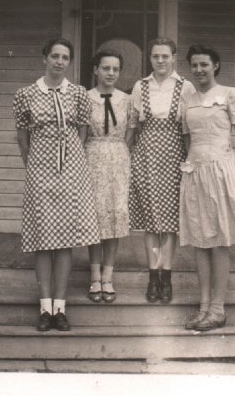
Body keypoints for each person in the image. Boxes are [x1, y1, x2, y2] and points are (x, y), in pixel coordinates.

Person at [12, 38, 100, 332]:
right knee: (43, 238)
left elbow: (82, 132)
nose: (60, 62)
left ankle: (60, 309)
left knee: (64, 241)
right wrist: (35, 165)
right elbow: (22, 137)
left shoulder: (77, 93)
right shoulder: (26, 94)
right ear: (44, 58)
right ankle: (44, 307)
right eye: (55, 56)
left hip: (71, 172)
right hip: (39, 170)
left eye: (65, 57)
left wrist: (70, 163)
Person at [179, 44, 235, 331]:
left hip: (221, 172)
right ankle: (203, 307)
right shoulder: (188, 100)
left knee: (219, 241)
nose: (198, 70)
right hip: (195, 171)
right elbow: (187, 141)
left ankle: (218, 309)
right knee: (199, 241)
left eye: (204, 64)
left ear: (216, 65)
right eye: (194, 65)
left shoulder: (231, 95)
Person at [127, 37, 195, 304]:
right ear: (150, 58)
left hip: (174, 157)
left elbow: (188, 128)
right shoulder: (140, 86)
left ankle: (166, 277)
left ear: (174, 57)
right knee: (150, 225)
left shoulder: (185, 87)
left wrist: (190, 160)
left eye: (165, 56)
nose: (160, 61)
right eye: (155, 56)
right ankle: (152, 276)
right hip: (145, 158)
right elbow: (133, 126)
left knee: (168, 225)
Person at [84, 50, 133, 303]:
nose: (111, 73)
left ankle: (108, 277)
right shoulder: (85, 98)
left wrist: (119, 153)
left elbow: (130, 135)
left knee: (114, 217)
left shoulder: (126, 100)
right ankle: (94, 276)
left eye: (115, 69)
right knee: (95, 217)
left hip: (118, 159)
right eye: (105, 68)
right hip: (92, 157)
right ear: (96, 70)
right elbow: (82, 135)